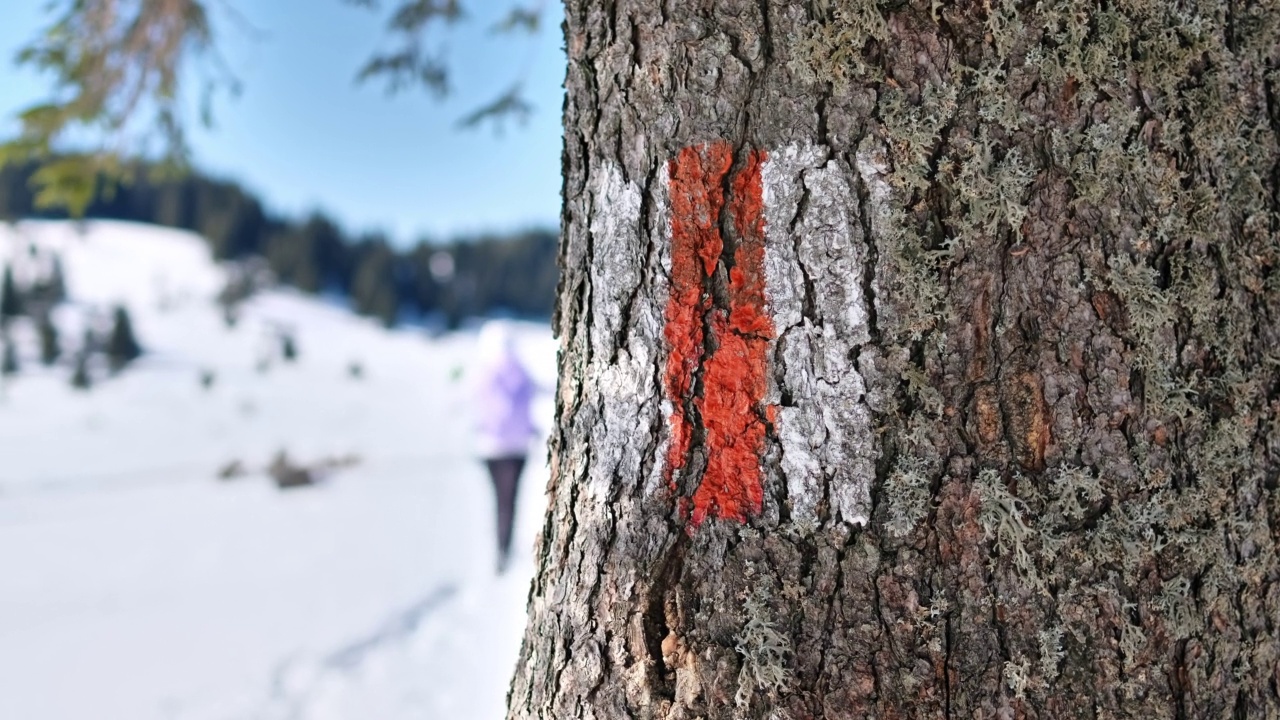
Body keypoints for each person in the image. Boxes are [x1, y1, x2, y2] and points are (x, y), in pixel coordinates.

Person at [472, 320, 536, 573]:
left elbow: (478, 404)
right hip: (517, 448)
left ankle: (501, 548)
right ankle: (503, 547)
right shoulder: (519, 370)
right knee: (509, 500)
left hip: (492, 448)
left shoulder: (485, 371)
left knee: (500, 499)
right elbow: (529, 397)